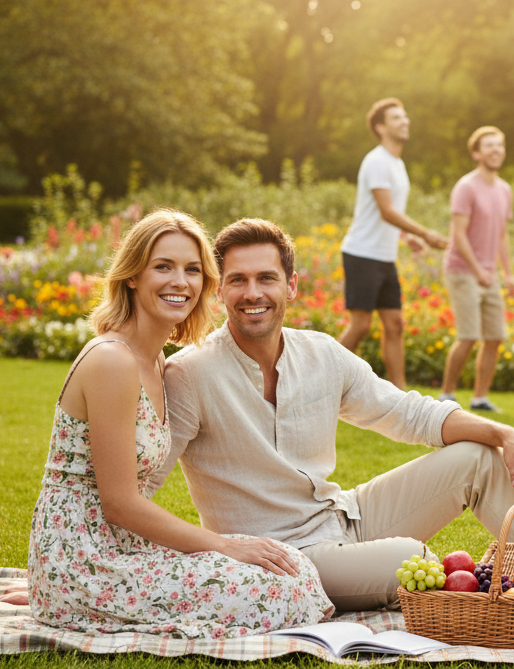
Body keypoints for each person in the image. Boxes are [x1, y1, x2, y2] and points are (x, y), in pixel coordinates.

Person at [150, 218, 514, 615]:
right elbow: (139, 486)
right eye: (238, 280)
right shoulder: (192, 375)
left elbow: (408, 413)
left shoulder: (323, 355)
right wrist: (217, 549)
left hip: (347, 517)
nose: (253, 293)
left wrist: (504, 431)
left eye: (266, 278)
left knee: (479, 457)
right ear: (219, 290)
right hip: (282, 557)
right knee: (412, 560)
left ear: (290, 287)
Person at [28, 210, 332, 637]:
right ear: (133, 275)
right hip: (86, 557)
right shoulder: (113, 360)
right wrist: (226, 545)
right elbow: (120, 503)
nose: (180, 282)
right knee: (271, 589)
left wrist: (229, 550)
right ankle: (64, 596)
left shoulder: (154, 359)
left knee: (291, 566)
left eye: (192, 270)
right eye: (163, 267)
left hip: (120, 546)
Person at [337, 97, 448, 390]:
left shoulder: (397, 164)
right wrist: (425, 233)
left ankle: (399, 395)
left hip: (385, 257)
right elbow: (386, 210)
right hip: (362, 253)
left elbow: (389, 212)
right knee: (360, 326)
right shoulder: (376, 161)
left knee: (395, 324)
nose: (405, 121)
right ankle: (318, 382)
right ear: (380, 127)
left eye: (405, 116)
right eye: (397, 118)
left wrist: (407, 236)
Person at [439, 126, 514, 412]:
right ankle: (447, 394)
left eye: (499, 145)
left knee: (495, 336)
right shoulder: (466, 187)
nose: (495, 150)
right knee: (469, 335)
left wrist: (507, 273)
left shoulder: (504, 189)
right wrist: (478, 270)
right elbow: (458, 234)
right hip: (462, 270)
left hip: (489, 274)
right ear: (476, 153)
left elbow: (503, 235)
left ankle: (480, 398)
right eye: (489, 146)